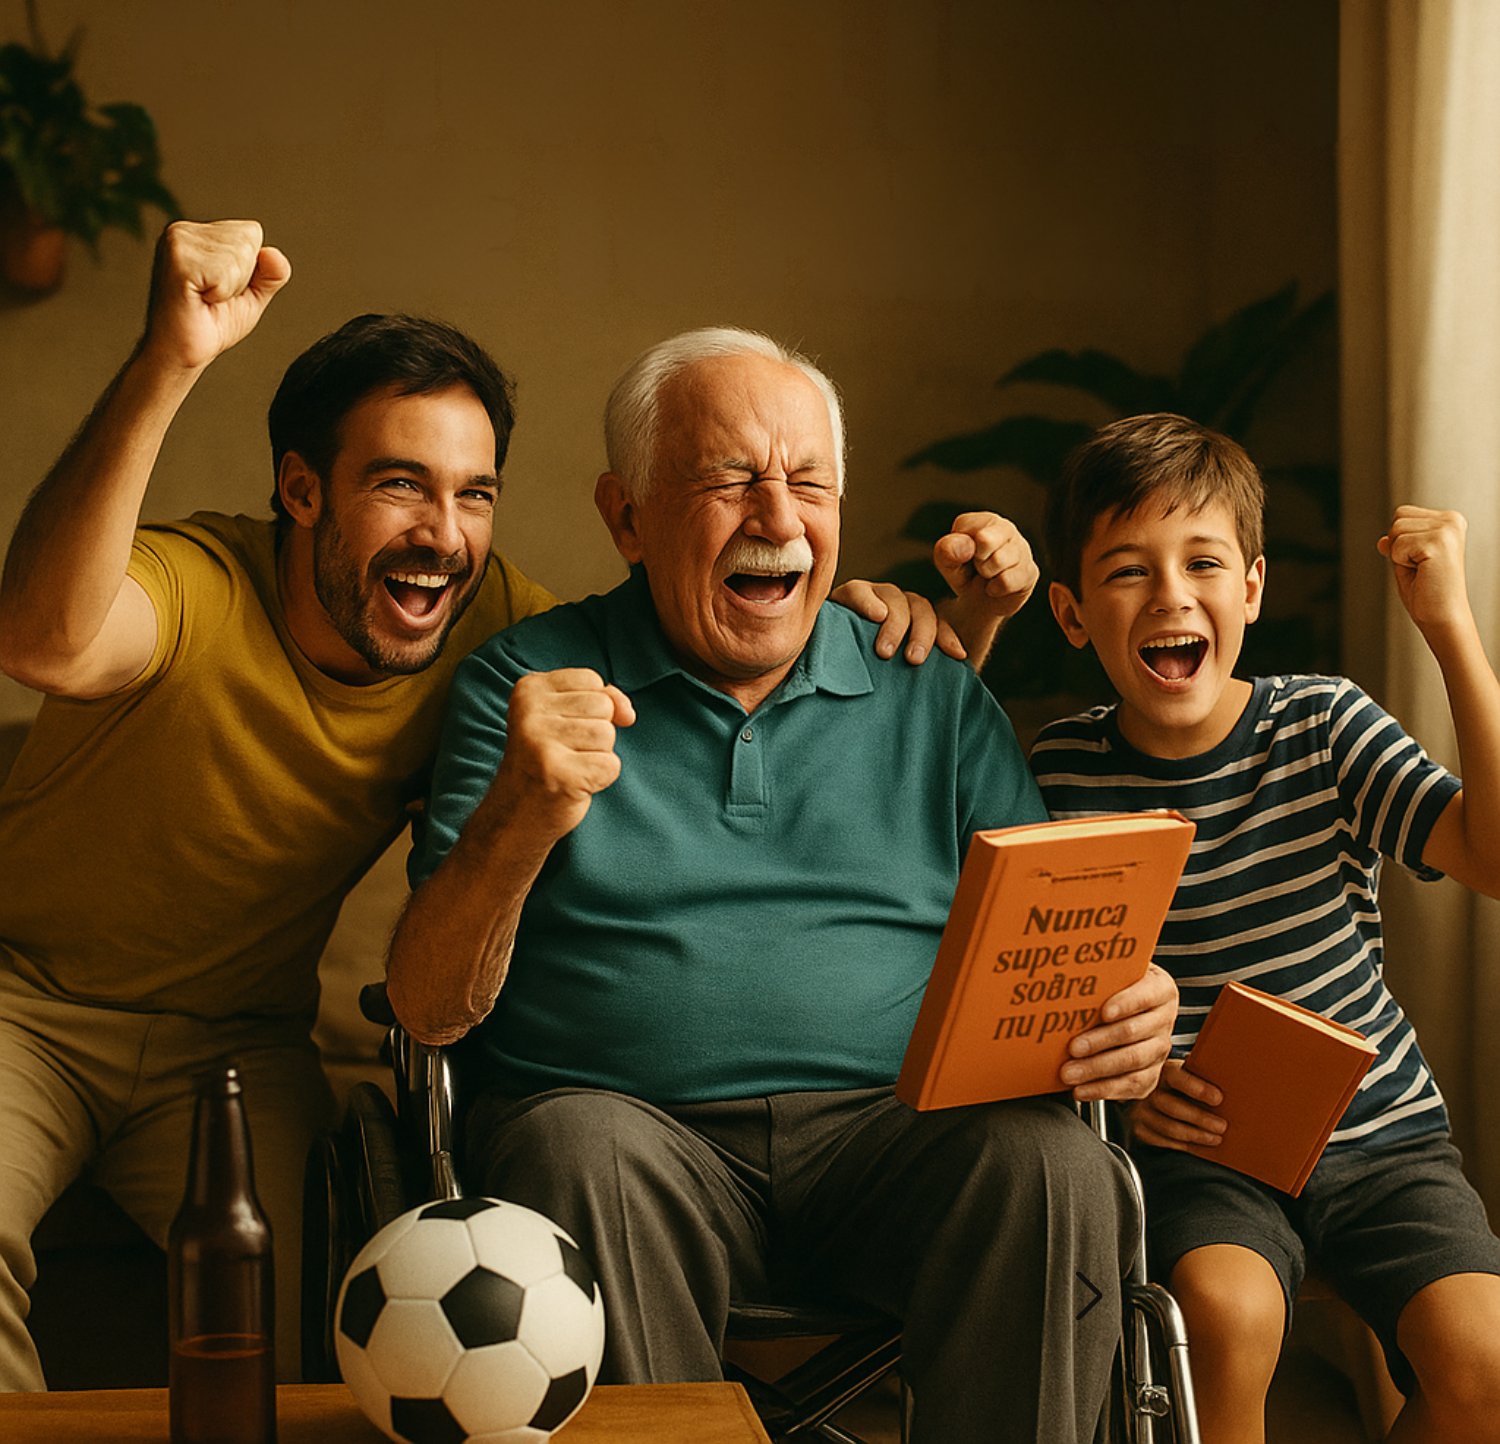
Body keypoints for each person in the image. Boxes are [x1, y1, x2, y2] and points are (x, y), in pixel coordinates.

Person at [0, 221, 1023, 1392]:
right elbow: (42, 635)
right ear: (299, 488)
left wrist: (944, 631)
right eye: (399, 486)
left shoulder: (491, 630)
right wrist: (168, 361)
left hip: (232, 1042)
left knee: (350, 1331)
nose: (443, 534)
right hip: (22, 1000)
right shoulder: (197, 586)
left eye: (474, 494)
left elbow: (746, 634)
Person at [385, 327, 1180, 1444]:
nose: (776, 516)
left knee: (1058, 1172)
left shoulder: (929, 687)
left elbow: (1053, 950)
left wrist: (1121, 1013)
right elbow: (427, 1007)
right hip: (633, 1141)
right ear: (626, 517)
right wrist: (521, 812)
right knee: (578, 1155)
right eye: (727, 480)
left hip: (898, 1141)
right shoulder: (522, 685)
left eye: (808, 481)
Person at [1029, 411, 1500, 1444]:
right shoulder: (1053, 773)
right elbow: (1018, 994)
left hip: (1384, 1143)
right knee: (1221, 1320)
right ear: (1069, 612)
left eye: (1203, 561)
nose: (1170, 595)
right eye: (1126, 571)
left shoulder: (1323, 723)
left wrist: (1450, 627)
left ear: (1250, 588)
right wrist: (1128, 1094)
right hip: (1197, 1157)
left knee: (1487, 1365)